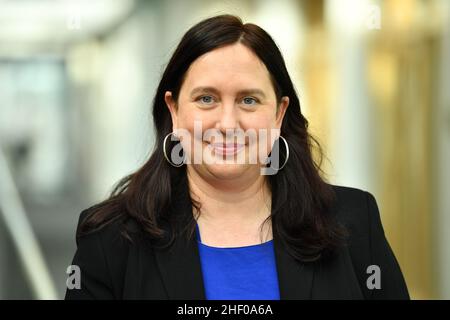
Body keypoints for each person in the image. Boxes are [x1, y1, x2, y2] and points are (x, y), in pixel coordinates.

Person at [65, 14, 409, 300]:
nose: (228, 124)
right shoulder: (110, 239)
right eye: (206, 99)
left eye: (248, 100)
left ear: (278, 114)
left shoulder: (352, 222)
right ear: (174, 111)